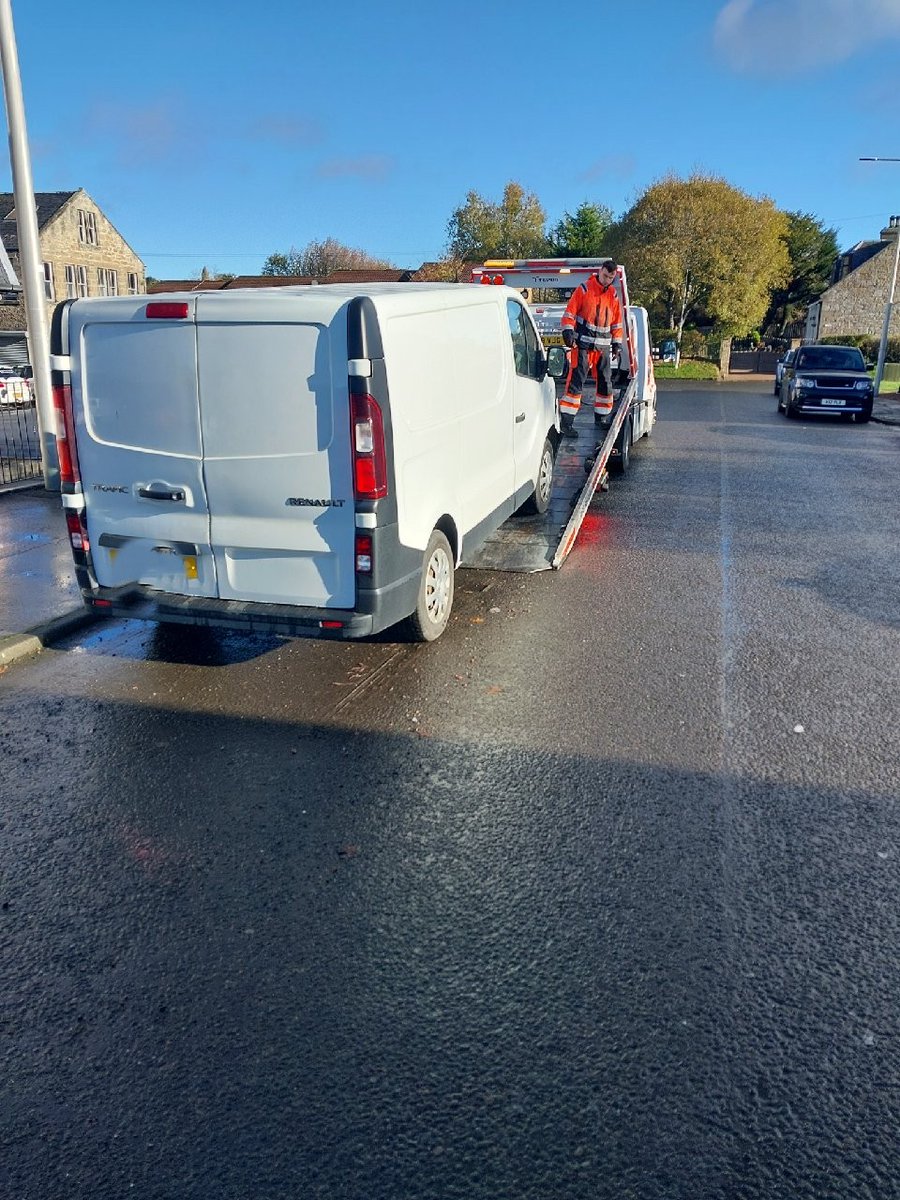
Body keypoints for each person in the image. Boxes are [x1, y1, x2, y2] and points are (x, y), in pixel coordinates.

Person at [559, 259, 624, 437]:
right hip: (582, 346)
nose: (607, 280)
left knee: (605, 383)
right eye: (605, 276)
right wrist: (568, 332)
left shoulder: (613, 295)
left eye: (611, 278)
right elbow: (569, 314)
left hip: (602, 348)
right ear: (599, 271)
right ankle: (567, 423)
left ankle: (601, 418)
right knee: (575, 383)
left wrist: (617, 344)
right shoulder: (584, 289)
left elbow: (617, 322)